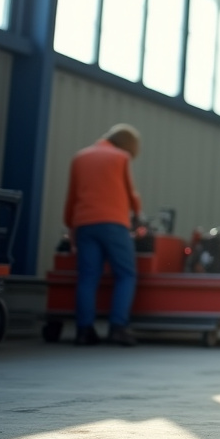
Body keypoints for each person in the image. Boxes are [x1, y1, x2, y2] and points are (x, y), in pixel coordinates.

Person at [63, 123, 142, 347]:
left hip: (84, 225)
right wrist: (137, 214)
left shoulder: (80, 158)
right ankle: (118, 327)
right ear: (128, 146)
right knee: (126, 274)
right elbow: (131, 194)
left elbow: (72, 196)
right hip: (114, 224)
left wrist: (71, 224)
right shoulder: (121, 158)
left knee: (88, 277)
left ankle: (84, 330)